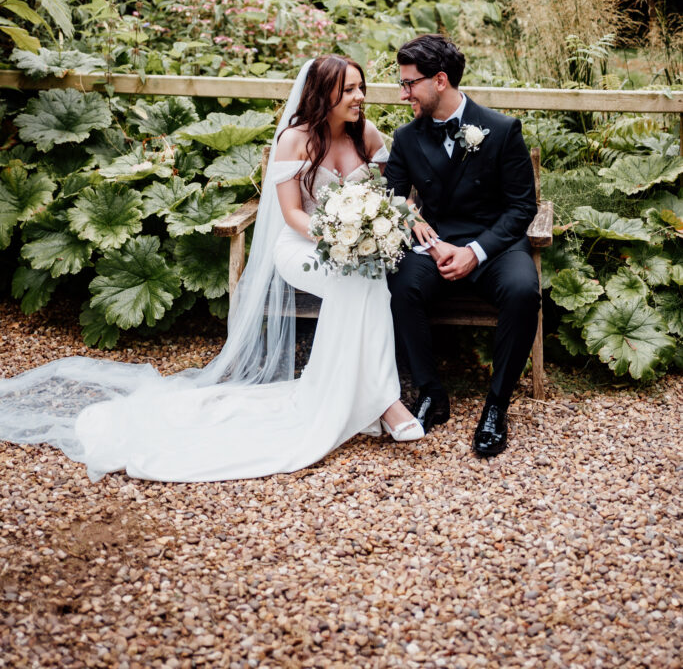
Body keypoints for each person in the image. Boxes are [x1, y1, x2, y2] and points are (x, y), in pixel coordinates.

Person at [0, 56, 421, 483]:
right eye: (348, 89)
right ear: (323, 93)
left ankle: (369, 398)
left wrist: (372, 230)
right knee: (360, 280)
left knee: (361, 280)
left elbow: (387, 196)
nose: (360, 97)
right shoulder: (295, 140)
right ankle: (385, 402)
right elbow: (292, 214)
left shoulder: (366, 135)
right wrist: (335, 238)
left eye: (360, 87)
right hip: (303, 247)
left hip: (352, 252)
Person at [384, 34, 540, 457]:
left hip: (494, 247)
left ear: (439, 80)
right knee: (401, 287)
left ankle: (496, 406)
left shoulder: (503, 129)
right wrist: (414, 220)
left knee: (525, 291)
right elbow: (392, 197)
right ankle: (431, 392)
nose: (402, 94)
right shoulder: (406, 137)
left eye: (408, 83)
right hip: (434, 247)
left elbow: (523, 205)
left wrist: (476, 251)